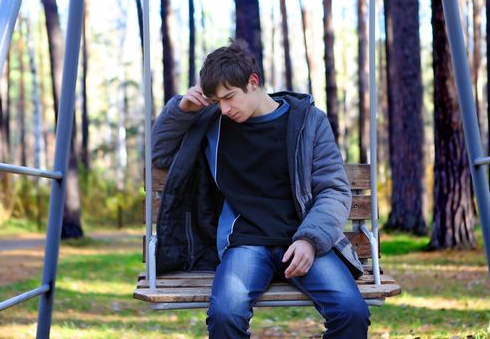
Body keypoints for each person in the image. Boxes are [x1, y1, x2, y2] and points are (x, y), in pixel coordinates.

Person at [151, 40, 370, 338]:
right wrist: (182, 109)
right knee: (225, 315)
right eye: (217, 101)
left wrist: (310, 239)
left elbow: (333, 189)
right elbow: (159, 154)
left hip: (303, 240)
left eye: (230, 97)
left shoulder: (308, 121)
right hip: (246, 244)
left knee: (351, 312)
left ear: (253, 82)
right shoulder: (212, 123)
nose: (225, 109)